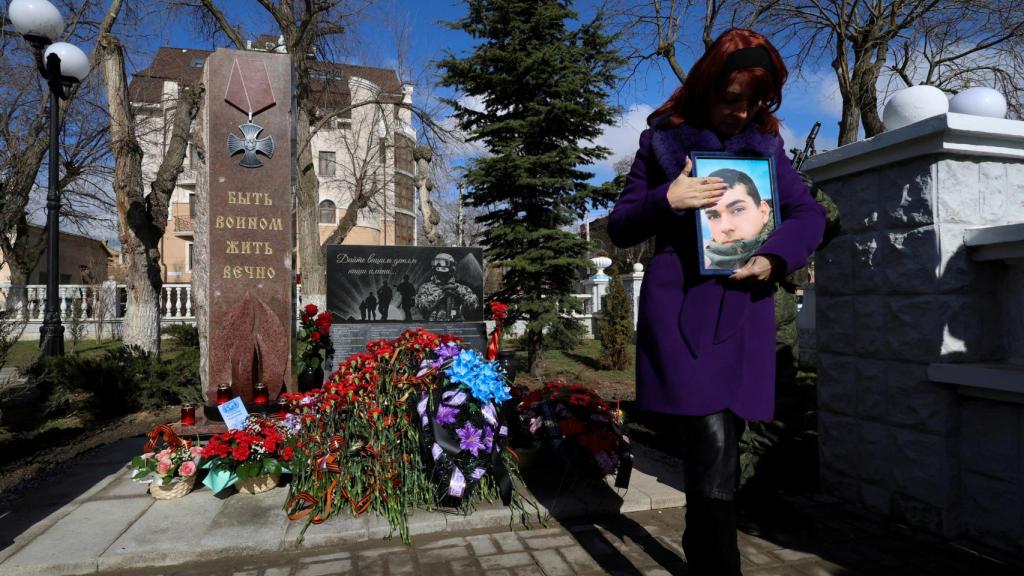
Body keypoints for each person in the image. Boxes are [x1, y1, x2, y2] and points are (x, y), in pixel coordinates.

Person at [608, 29, 825, 576]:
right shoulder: (662, 142)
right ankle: (717, 563)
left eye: (756, 102)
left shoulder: (766, 148)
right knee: (711, 439)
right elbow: (620, 226)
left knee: (721, 444)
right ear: (707, 86)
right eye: (734, 98)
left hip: (743, 315)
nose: (743, 112)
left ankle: (701, 543)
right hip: (682, 316)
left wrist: (775, 259)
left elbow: (809, 216)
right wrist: (668, 198)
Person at [702, 168, 773, 271]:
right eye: (714, 216)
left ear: (764, 212)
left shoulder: (787, 245)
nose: (725, 227)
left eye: (738, 210)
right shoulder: (701, 264)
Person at [415, 253, 479, 321]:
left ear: (452, 267)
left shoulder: (461, 288)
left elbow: (474, 306)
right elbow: (423, 307)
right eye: (436, 262)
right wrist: (441, 294)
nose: (438, 265)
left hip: (456, 326)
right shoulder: (426, 287)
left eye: (443, 262)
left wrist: (458, 294)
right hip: (433, 326)